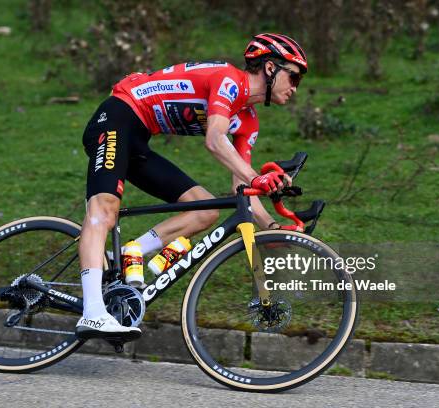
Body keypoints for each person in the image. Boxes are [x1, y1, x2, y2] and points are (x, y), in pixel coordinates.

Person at [76, 33, 308, 340]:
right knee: (104, 210)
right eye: (293, 77)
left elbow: (243, 189)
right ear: (269, 68)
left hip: (138, 138)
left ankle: (136, 250)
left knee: (207, 209)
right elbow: (215, 140)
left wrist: (273, 226)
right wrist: (257, 177)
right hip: (118, 116)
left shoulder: (248, 122)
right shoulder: (229, 80)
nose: (294, 88)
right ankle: (92, 314)